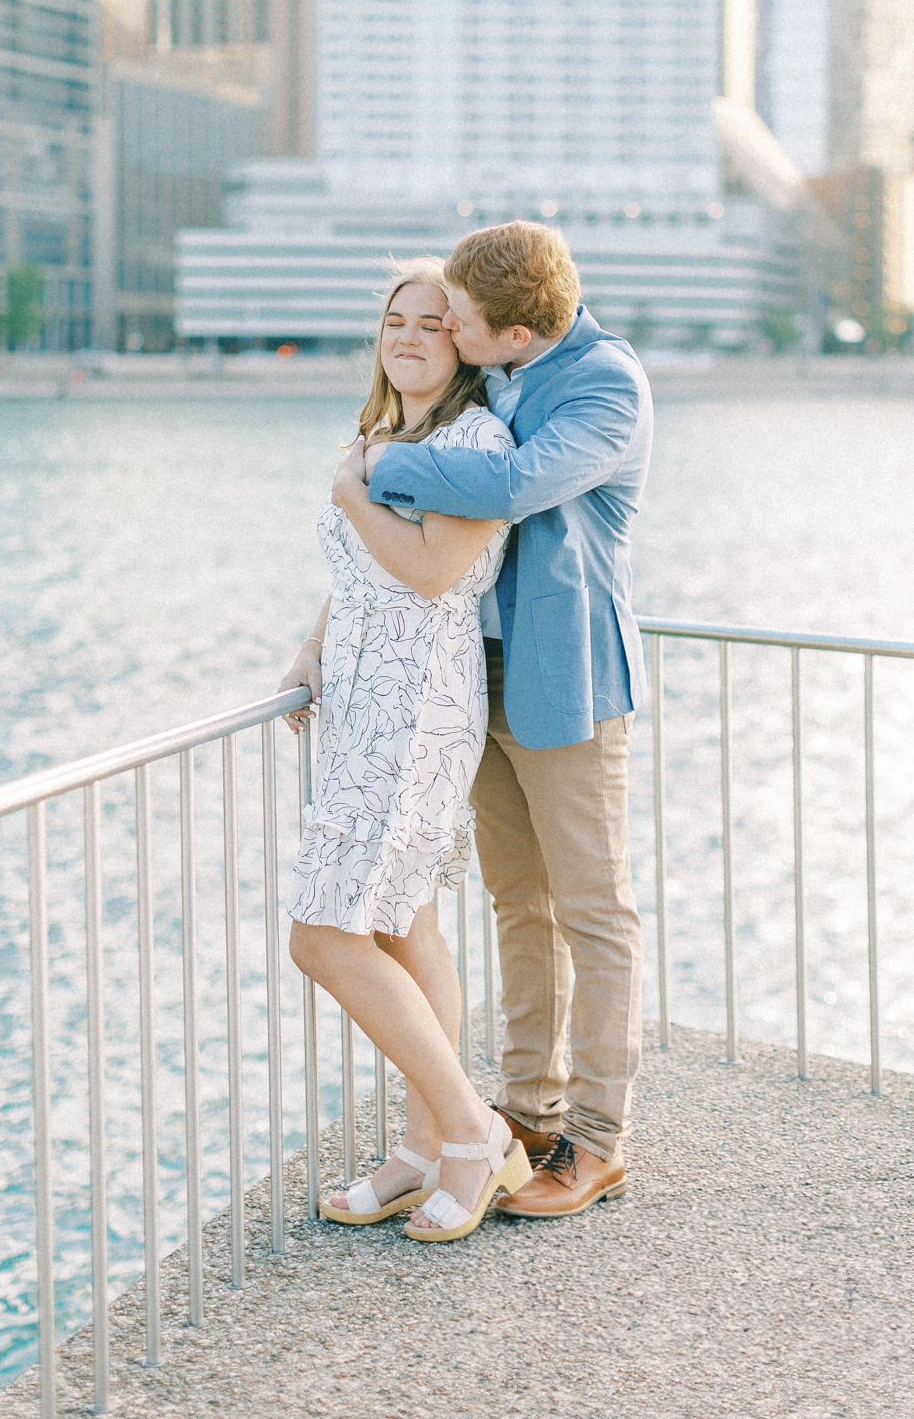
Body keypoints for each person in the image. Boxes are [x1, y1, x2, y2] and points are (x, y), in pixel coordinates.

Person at [334, 221, 654, 1219]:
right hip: (480, 674)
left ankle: (597, 1137)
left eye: (459, 319)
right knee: (518, 898)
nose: (445, 328)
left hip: (568, 678)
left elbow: (512, 489)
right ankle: (524, 1107)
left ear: (513, 333)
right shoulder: (500, 376)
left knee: (593, 909)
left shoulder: (607, 384)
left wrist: (372, 470)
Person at [279, 260, 533, 1243]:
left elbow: (431, 571)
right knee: (400, 924)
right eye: (395, 319)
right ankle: (427, 1143)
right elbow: (360, 574)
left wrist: (350, 494)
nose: (411, 334)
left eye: (434, 322)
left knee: (323, 931)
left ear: (464, 343)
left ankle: (474, 1130)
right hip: (362, 704)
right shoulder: (382, 437)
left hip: (417, 707)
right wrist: (313, 648)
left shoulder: (476, 439)